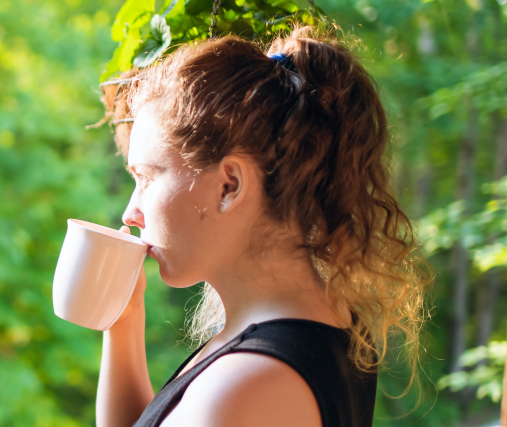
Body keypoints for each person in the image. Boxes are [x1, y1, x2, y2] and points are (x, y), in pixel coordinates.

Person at [95, 26, 431, 427]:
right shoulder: (314, 329)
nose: (130, 212)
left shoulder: (242, 391)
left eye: (147, 177)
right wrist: (124, 323)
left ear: (229, 186)